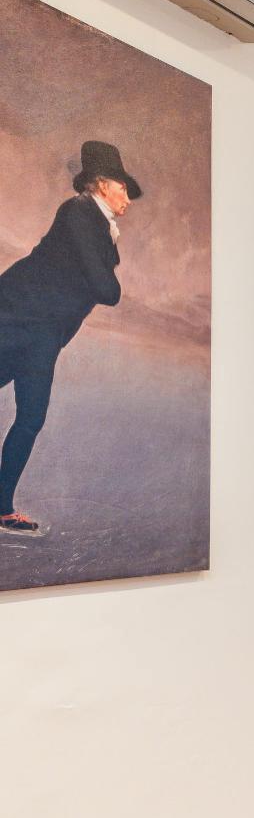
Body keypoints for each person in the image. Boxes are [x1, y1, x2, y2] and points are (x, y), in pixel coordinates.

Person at [0, 140, 140, 536]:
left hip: (42, 334)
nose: (127, 200)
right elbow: (105, 289)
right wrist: (107, 278)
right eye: (123, 189)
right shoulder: (79, 211)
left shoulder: (100, 228)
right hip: (13, 317)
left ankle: (1, 507)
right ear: (101, 185)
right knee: (30, 417)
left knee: (30, 418)